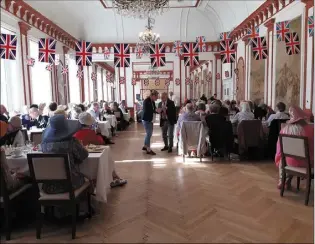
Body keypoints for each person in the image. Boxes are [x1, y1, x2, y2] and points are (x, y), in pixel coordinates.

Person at [40, 115, 87, 194]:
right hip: (70, 184)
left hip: (48, 186)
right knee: (88, 177)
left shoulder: (44, 145)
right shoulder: (71, 142)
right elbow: (84, 155)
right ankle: (86, 204)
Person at [275, 106, 314, 189]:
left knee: (284, 158)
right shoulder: (311, 130)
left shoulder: (284, 130)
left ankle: (283, 181)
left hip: (289, 163)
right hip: (307, 163)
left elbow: (279, 150)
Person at [142, 90, 160, 155]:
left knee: (148, 134)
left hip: (151, 120)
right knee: (149, 134)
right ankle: (148, 149)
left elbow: (154, 109)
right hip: (147, 120)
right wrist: (155, 110)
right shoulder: (146, 101)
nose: (157, 98)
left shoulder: (153, 102)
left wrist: (158, 111)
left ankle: (145, 146)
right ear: (153, 96)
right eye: (156, 97)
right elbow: (146, 110)